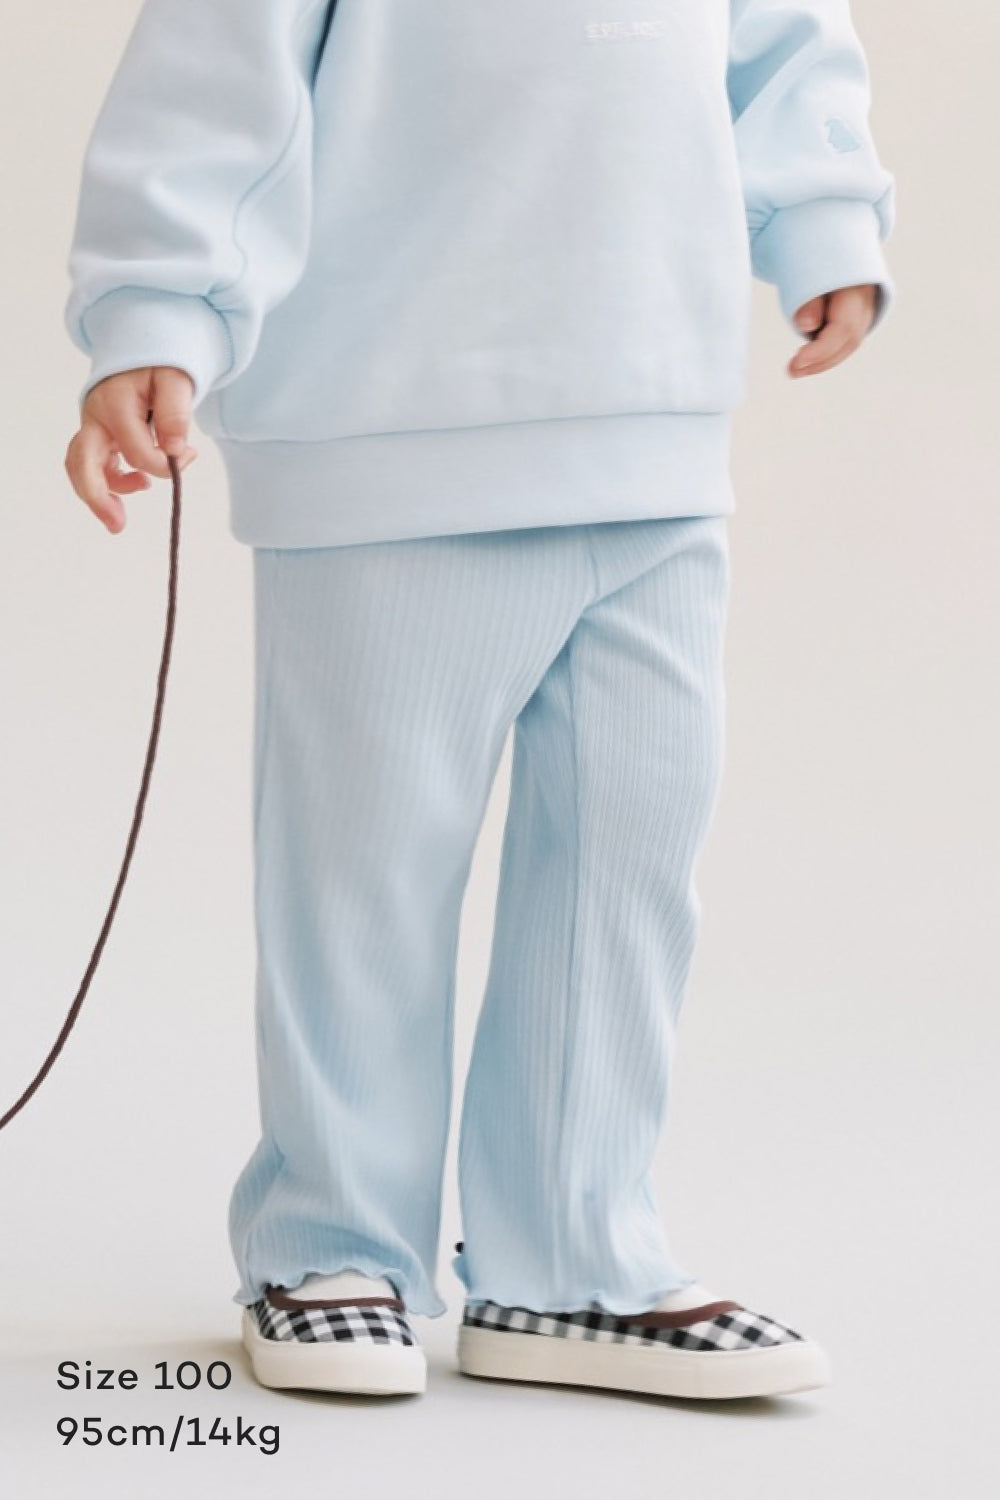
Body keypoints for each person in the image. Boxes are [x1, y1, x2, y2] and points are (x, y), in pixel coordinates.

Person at [62, 0, 896, 1403]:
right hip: (385, 425)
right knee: (365, 877)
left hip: (656, 425)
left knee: (625, 867)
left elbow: (783, 33)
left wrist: (823, 216)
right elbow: (212, 75)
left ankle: (572, 1258)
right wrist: (155, 310)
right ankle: (331, 1244)